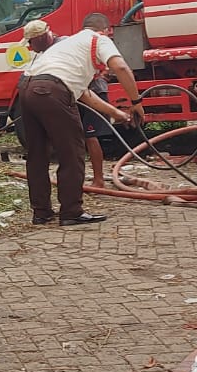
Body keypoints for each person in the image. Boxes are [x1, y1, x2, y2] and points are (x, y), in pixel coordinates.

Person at [18, 12, 143, 226]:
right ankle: (71, 211)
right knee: (72, 152)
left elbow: (84, 93)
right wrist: (136, 101)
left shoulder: (68, 45)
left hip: (27, 88)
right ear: (106, 31)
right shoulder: (99, 39)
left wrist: (117, 114)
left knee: (37, 155)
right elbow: (121, 67)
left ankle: (41, 212)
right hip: (53, 91)